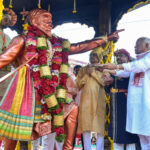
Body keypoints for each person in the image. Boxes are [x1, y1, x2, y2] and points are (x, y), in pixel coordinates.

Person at [0, 8, 118, 150]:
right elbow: (3, 59)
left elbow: (80, 47)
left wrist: (106, 38)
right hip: (24, 92)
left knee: (73, 108)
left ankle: (67, 148)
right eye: (45, 18)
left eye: (50, 19)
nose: (50, 23)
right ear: (33, 20)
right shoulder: (22, 40)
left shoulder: (56, 43)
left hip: (50, 90)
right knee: (11, 133)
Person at [102, 37, 150, 150]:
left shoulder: (145, 60)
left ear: (147, 46)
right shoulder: (136, 62)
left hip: (146, 104)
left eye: (137, 45)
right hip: (134, 107)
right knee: (142, 137)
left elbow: (138, 66)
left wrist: (116, 66)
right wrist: (109, 70)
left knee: (145, 135)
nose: (134, 47)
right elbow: (125, 72)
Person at [76, 47, 112, 150]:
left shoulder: (103, 69)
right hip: (85, 104)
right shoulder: (83, 69)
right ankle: (89, 149)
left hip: (97, 103)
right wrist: (87, 75)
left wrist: (93, 74)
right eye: (91, 55)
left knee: (95, 130)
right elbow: (78, 84)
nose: (92, 57)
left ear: (99, 57)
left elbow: (105, 82)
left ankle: (95, 148)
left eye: (94, 56)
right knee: (87, 130)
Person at [106, 49, 139, 150]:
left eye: (121, 56)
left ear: (127, 58)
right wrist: (107, 83)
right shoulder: (112, 72)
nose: (118, 58)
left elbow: (125, 75)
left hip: (127, 102)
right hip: (115, 104)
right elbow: (107, 89)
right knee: (117, 131)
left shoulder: (133, 69)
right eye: (117, 56)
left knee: (129, 131)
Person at [0, 8, 17, 101]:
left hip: (6, 72)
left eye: (9, 20)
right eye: (5, 19)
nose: (7, 22)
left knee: (4, 98)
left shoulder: (8, 37)